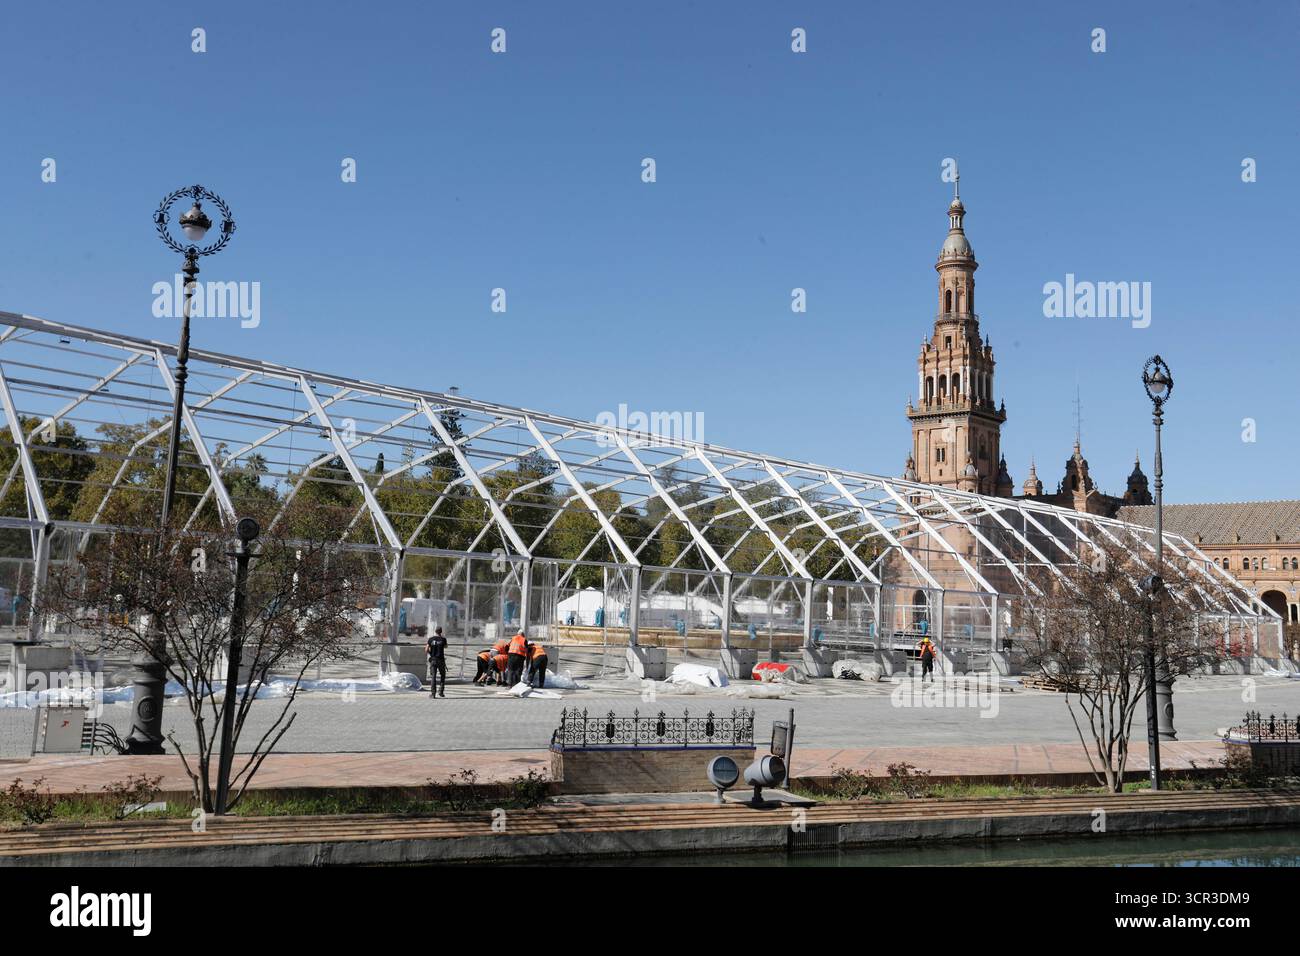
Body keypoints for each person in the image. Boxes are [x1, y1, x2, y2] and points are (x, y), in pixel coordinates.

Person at [425, 626, 447, 698]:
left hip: (433, 660)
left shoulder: (430, 639)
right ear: (441, 631)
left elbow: (426, 649)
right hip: (441, 660)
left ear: (435, 631)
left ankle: (433, 694)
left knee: (433, 676)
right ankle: (441, 691)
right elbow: (446, 646)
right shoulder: (443, 639)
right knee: (443, 676)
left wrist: (431, 652)